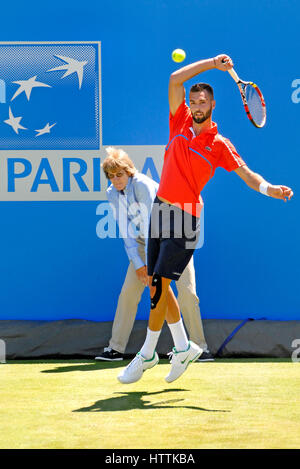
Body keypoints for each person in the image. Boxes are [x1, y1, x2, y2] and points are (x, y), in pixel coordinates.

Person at [118, 54, 294, 384]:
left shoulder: (219, 144)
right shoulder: (180, 122)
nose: (197, 105)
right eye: (194, 100)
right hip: (161, 209)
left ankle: (146, 355)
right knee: (159, 285)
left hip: (186, 219)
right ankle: (183, 347)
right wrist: (213, 63)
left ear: (213, 104)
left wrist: (270, 189)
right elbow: (174, 79)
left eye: (203, 101)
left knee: (158, 285)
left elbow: (248, 175)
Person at [95, 147, 213, 363]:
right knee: (128, 293)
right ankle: (115, 348)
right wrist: (139, 264)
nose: (116, 180)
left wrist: (151, 265)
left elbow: (154, 224)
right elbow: (126, 230)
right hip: (144, 244)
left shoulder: (142, 185)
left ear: (129, 171)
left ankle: (200, 348)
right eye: (111, 176)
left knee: (186, 293)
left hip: (176, 239)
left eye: (119, 174)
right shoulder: (111, 193)